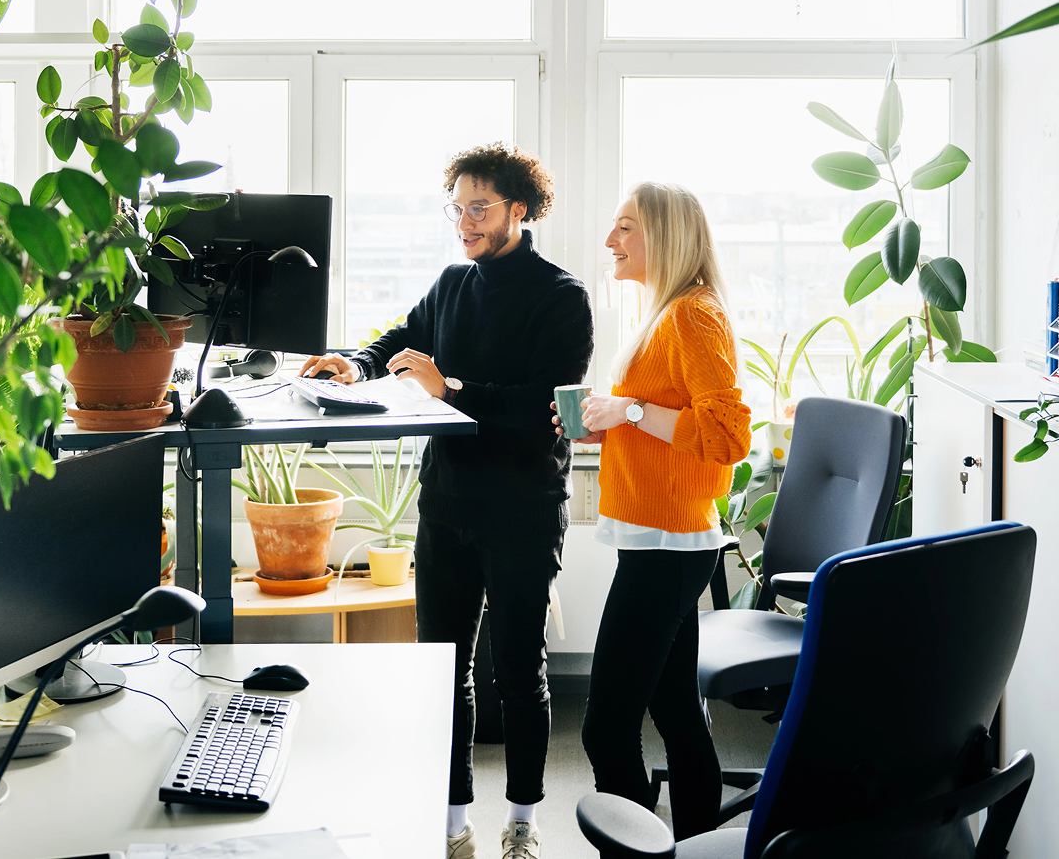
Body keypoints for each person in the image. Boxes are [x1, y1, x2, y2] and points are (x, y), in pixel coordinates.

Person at [302, 142, 594, 859]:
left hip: (522, 508)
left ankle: (523, 824)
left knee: (519, 672)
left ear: (519, 210)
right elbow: (404, 341)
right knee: (442, 668)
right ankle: (452, 823)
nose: (464, 221)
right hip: (449, 504)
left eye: (479, 207)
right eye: (457, 206)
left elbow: (539, 411)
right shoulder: (452, 283)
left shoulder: (563, 297)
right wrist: (357, 362)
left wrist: (451, 388)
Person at [554, 181, 751, 840]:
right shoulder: (665, 312)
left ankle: (638, 852)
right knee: (675, 713)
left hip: (670, 546)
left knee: (605, 728)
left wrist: (632, 410)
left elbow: (726, 438)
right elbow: (670, 418)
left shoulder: (694, 315)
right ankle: (695, 845)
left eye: (625, 228)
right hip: (660, 538)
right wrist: (611, 423)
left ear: (664, 235)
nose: (610, 241)